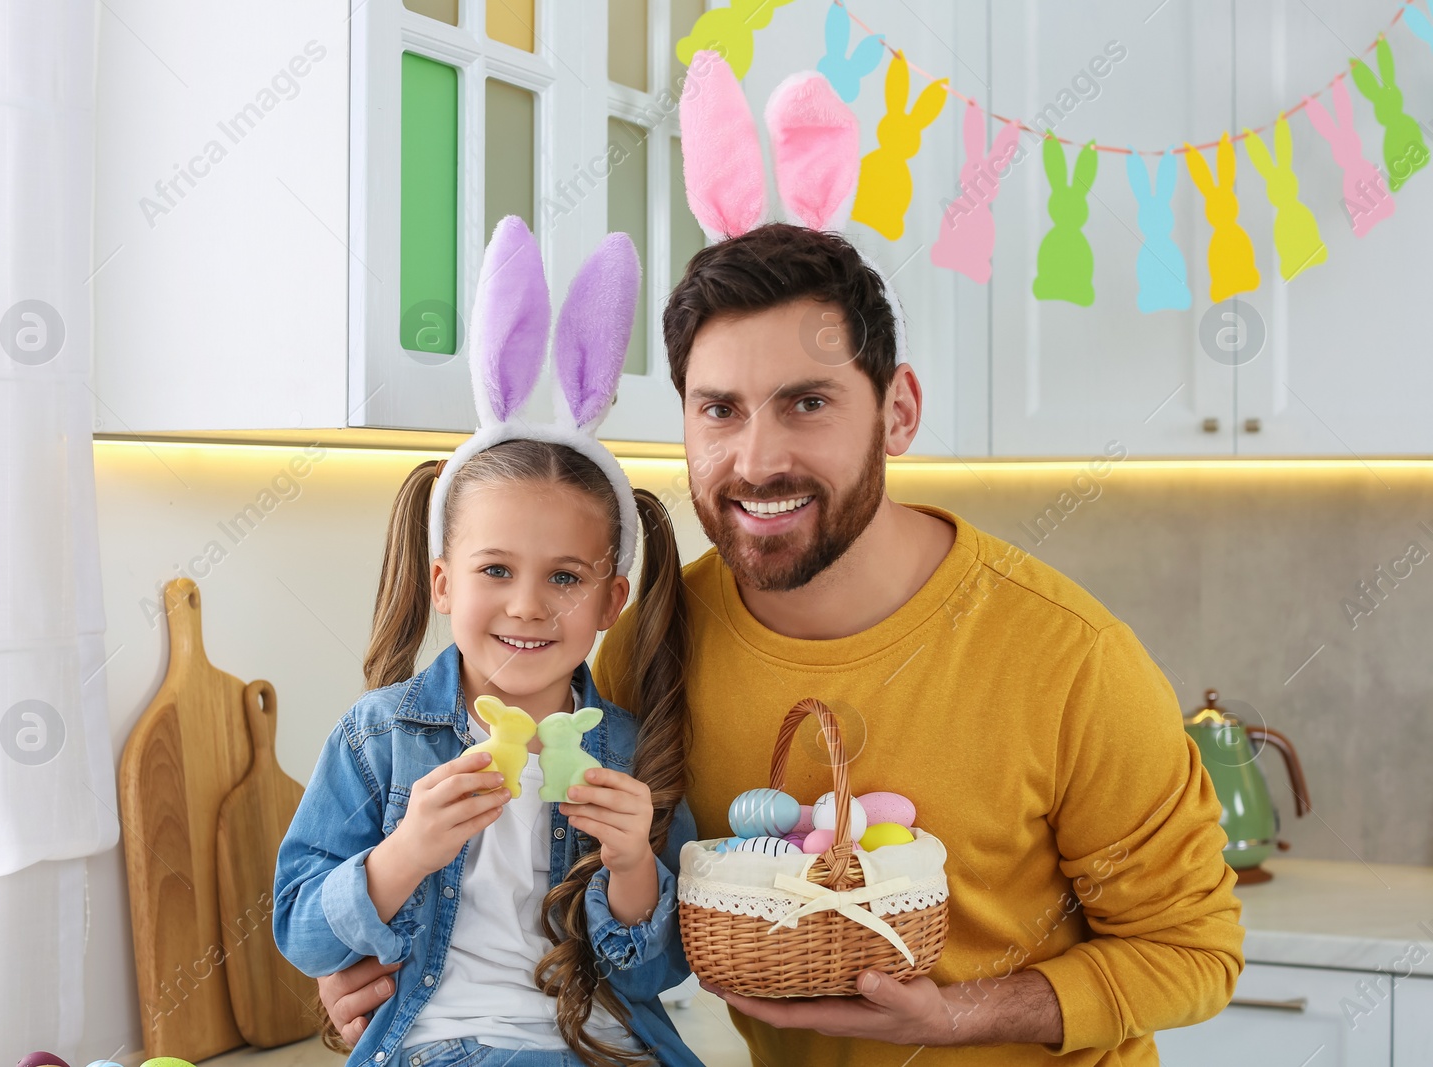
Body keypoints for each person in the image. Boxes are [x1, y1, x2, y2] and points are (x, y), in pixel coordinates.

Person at [317, 223, 1245, 1065]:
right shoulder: (650, 638)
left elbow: (1195, 952)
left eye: (806, 403)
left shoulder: (1070, 660)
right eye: (719, 409)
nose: (758, 460)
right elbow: (556, 895)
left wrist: (957, 1016)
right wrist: (376, 978)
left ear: (898, 412)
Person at [274, 221, 703, 1067]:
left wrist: (630, 865)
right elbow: (301, 931)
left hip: (611, 1045)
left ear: (612, 598)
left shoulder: (632, 754)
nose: (529, 606)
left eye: (567, 578)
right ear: (444, 584)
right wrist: (406, 853)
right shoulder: (380, 738)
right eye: (496, 569)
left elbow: (662, 972)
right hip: (442, 1044)